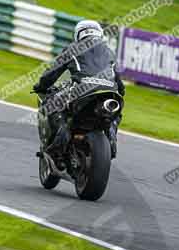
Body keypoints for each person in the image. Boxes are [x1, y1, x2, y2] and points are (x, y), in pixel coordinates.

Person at [33, 20, 126, 158]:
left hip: (83, 90)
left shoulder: (73, 48)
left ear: (78, 34)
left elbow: (53, 72)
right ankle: (111, 139)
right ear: (99, 34)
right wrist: (121, 91)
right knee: (115, 115)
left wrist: (41, 86)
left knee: (51, 104)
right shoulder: (110, 52)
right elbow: (119, 82)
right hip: (109, 93)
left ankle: (57, 146)